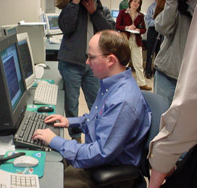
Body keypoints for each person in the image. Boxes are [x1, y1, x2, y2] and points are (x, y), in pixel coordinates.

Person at [33, 30, 151, 188]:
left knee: (48, 181)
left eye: (91, 57)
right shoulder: (111, 84)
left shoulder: (122, 101)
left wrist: (55, 140)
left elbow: (100, 152)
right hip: (98, 161)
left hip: (108, 171)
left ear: (110, 60)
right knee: (50, 159)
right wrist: (70, 121)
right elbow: (96, 120)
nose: (87, 62)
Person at [148, 5, 197, 188]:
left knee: (183, 128)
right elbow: (161, 26)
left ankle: (176, 166)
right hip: (167, 71)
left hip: (188, 78)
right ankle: (167, 166)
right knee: (165, 123)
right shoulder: (170, 4)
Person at [57, 0, 115, 142]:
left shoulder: (100, 9)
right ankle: (76, 139)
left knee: (97, 103)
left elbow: (109, 33)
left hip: (94, 65)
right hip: (71, 63)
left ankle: (98, 138)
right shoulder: (70, 6)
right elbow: (66, 27)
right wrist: (74, 4)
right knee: (72, 105)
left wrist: (94, 13)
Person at [153, 0, 195, 106]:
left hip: (191, 79)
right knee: (161, 113)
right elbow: (162, 28)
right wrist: (172, 3)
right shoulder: (175, 5)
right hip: (167, 73)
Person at [116, 0, 152, 91]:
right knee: (124, 62)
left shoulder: (140, 16)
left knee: (138, 63)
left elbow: (144, 29)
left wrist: (139, 30)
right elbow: (117, 26)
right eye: (134, 1)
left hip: (136, 40)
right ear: (130, 2)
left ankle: (142, 83)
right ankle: (120, 82)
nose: (136, 4)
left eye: (138, 3)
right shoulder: (123, 13)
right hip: (125, 39)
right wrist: (127, 27)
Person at [144, 0, 162, 79]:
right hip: (152, 31)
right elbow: (148, 21)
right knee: (150, 52)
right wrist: (158, 23)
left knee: (159, 53)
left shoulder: (165, 7)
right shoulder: (152, 7)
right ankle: (148, 71)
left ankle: (156, 72)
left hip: (162, 32)